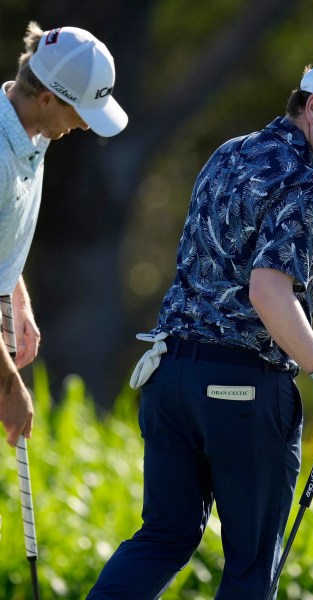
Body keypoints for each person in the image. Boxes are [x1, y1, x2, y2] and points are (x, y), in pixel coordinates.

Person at [87, 55, 313, 599]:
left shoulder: (229, 152)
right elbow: (268, 290)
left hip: (169, 378)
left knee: (164, 535)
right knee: (251, 567)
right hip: (242, 389)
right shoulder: (305, 184)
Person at [0, 22, 127, 446]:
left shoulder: (32, 130)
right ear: (47, 98)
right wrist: (9, 387)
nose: (87, 128)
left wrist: (17, 299)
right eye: (80, 114)